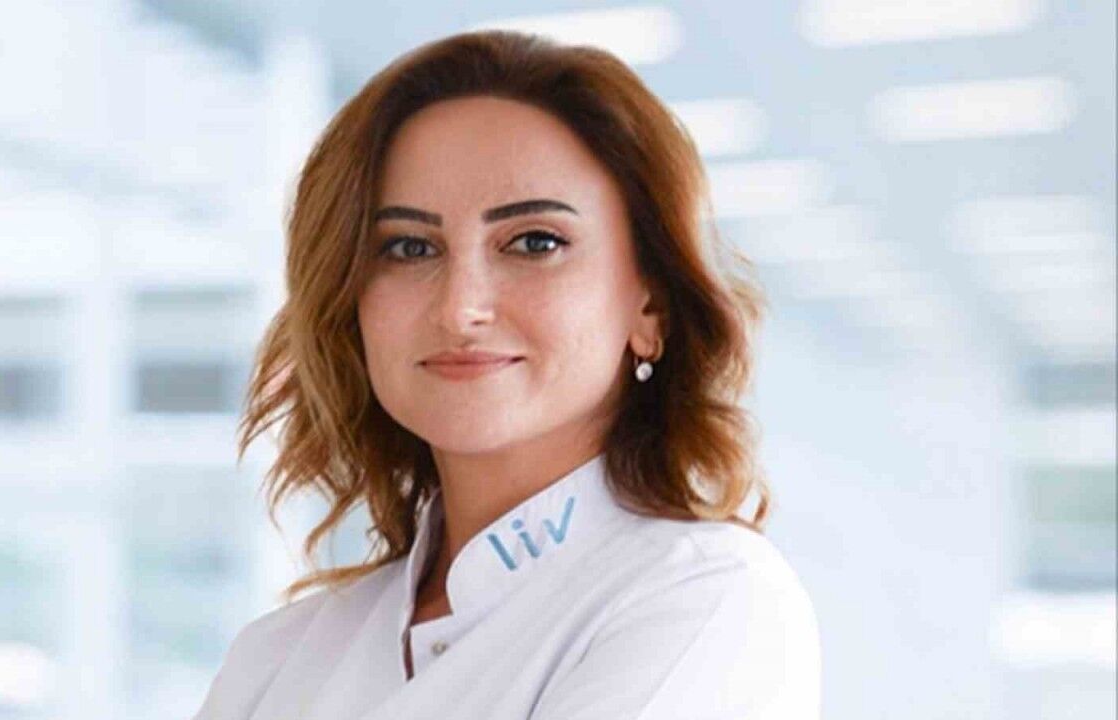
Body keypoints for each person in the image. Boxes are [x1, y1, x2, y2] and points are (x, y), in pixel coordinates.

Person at [192, 29, 821, 720]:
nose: (460, 308)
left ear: (651, 305)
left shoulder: (708, 601)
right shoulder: (277, 656)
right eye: (409, 248)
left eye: (534, 243)